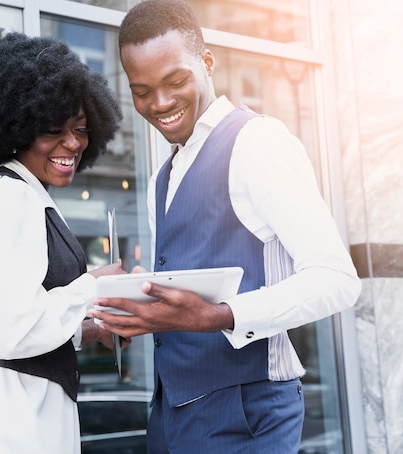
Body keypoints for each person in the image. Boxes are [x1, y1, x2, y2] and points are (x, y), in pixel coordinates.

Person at [89, 1, 362, 453]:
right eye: (142, 90)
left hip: (245, 412)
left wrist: (218, 316)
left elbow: (337, 279)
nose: (159, 103)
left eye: (175, 81)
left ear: (208, 62)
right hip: (172, 414)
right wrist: (139, 304)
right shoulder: (165, 175)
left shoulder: (257, 141)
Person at [0, 32, 125, 453]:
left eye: (79, 129)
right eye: (52, 130)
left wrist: (89, 331)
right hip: (9, 404)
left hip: (22, 396)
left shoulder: (27, 197)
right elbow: (15, 333)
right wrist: (96, 285)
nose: (72, 144)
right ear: (14, 127)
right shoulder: (9, 196)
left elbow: (24, 316)